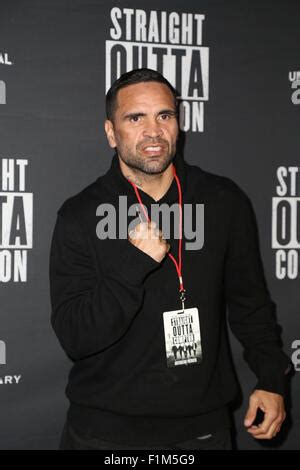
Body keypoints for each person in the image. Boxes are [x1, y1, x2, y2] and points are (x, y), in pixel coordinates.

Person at [49, 68, 291, 450]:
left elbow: (252, 305)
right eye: (135, 118)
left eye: (165, 115)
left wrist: (271, 379)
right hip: (103, 435)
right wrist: (132, 264)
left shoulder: (223, 201)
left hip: (201, 432)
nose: (154, 131)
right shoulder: (80, 214)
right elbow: (75, 336)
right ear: (111, 133)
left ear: (178, 124)